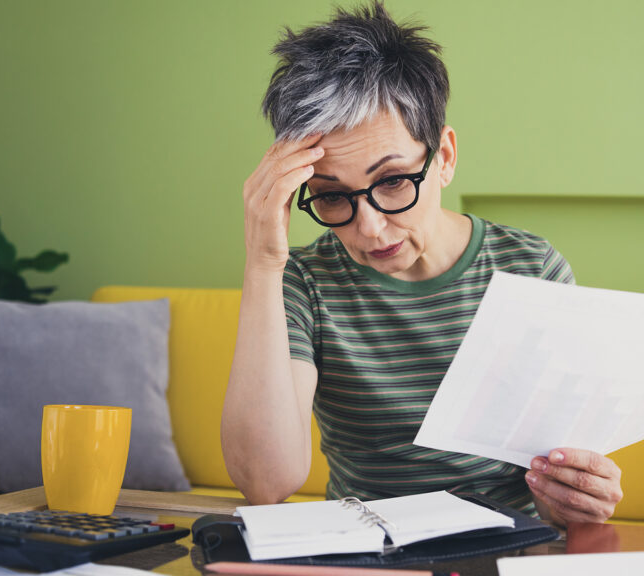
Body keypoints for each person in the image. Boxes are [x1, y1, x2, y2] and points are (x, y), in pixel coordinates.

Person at [221, 0, 622, 527]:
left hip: (501, 547)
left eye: (391, 181)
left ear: (445, 157)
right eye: (332, 197)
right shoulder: (303, 281)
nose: (368, 228)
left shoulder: (532, 270)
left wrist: (571, 496)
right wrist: (262, 260)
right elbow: (266, 483)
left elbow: (558, 484)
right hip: (365, 549)